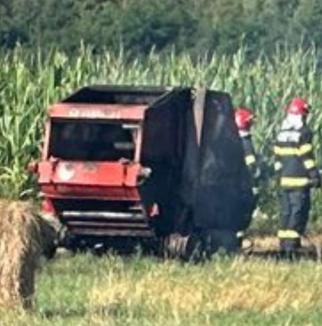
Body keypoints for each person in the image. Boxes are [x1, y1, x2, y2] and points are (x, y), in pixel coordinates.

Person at [274, 97, 320, 255]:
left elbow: (278, 159)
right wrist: (314, 175)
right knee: (298, 212)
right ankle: (291, 247)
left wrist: (278, 176)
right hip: (300, 182)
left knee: (285, 213)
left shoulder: (281, 134)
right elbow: (306, 156)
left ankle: (283, 246)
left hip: (284, 181)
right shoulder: (304, 132)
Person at [234, 107, 261, 245]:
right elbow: (252, 167)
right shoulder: (245, 142)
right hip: (246, 187)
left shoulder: (231, 141)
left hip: (236, 186)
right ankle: (237, 241)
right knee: (244, 213)